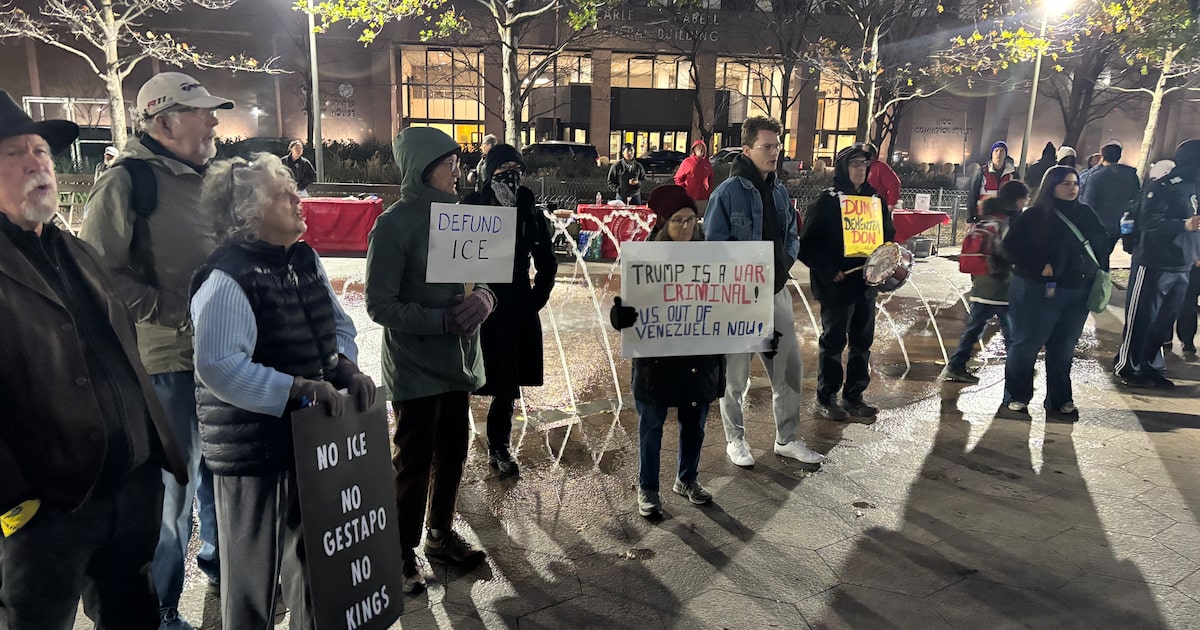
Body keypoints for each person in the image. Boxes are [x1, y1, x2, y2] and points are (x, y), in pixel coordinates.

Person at [0, 89, 187, 629]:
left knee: (132, 617)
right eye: (17, 153)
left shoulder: (74, 249)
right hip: (49, 509)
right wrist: (18, 499)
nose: (40, 162)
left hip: (130, 489)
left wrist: (151, 455)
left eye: (41, 151)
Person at [190, 153, 374, 628]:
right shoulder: (228, 275)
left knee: (316, 569)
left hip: (308, 441)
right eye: (282, 193)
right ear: (247, 213)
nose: (298, 198)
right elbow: (218, 366)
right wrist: (298, 389)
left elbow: (337, 324)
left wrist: (346, 369)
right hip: (255, 452)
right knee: (252, 583)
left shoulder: (303, 257)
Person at [80, 71, 231, 629]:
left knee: (220, 469)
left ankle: (220, 565)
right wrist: (178, 311)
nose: (215, 120)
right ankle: (162, 606)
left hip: (221, 358)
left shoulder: (209, 177)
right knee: (174, 489)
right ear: (165, 121)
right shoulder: (127, 182)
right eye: (203, 112)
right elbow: (98, 276)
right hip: (167, 363)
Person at [366, 127, 495, 594]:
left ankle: (439, 536)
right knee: (414, 460)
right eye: (448, 163)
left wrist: (485, 299)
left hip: (457, 362)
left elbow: (485, 279)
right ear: (422, 169)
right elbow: (379, 304)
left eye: (457, 162)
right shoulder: (394, 224)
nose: (458, 169)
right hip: (416, 366)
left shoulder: (462, 218)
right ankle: (399, 553)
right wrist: (440, 321)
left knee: (454, 452)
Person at [705, 116, 823, 466]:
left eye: (777, 146)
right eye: (766, 147)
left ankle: (786, 439)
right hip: (739, 299)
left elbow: (791, 232)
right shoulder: (726, 194)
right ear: (747, 149)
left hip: (775, 292)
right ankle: (736, 440)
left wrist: (785, 260)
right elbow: (713, 246)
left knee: (789, 369)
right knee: (735, 377)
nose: (774, 153)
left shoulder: (780, 191)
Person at [609, 185, 724, 517]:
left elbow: (729, 303)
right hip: (657, 361)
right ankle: (648, 488)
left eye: (691, 219)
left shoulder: (710, 258)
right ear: (662, 223)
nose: (687, 227)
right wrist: (622, 316)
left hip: (698, 359)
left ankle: (687, 479)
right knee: (652, 425)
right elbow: (624, 311)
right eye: (679, 220)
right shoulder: (644, 260)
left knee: (695, 423)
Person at [461, 144, 556, 477]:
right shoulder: (471, 207)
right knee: (463, 377)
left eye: (518, 169)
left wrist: (534, 301)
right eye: (504, 170)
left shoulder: (531, 212)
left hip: (515, 304)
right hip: (475, 303)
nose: (511, 176)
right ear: (490, 174)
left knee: (507, 383)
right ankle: (454, 442)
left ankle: (498, 445)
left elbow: (547, 264)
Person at [797, 142, 897, 419]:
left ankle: (854, 395)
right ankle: (826, 396)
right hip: (835, 285)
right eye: (855, 165)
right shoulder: (827, 200)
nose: (860, 170)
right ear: (843, 166)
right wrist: (829, 269)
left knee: (862, 341)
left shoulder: (875, 199)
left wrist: (887, 263)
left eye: (865, 166)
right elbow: (807, 245)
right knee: (833, 342)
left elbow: (889, 236)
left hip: (865, 284)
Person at [1002, 166, 1111, 415]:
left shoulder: (1086, 214)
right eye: (1066, 184)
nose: (1073, 188)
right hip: (1037, 291)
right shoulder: (1034, 216)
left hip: (1077, 291)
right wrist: (1039, 265)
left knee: (1063, 348)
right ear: (1051, 186)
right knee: (1026, 344)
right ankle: (1017, 395)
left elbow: (1102, 244)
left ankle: (1060, 398)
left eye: (1075, 183)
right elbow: (1010, 248)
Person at [1112, 140, 1200, 388]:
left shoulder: (1195, 187)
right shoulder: (1162, 187)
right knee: (1142, 317)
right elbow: (1150, 223)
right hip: (1154, 262)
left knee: (1163, 321)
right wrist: (1183, 225)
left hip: (1182, 265)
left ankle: (1149, 366)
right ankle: (1129, 366)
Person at [941, 180, 1029, 383]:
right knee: (1012, 329)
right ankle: (1017, 369)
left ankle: (956, 365)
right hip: (1003, 284)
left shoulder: (988, 218)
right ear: (1017, 200)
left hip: (982, 282)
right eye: (1024, 199)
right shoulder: (1009, 223)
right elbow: (1012, 254)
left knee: (976, 327)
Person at [1080, 140, 1141, 246]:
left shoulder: (1096, 177)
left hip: (1100, 224)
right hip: (1120, 223)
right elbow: (1136, 197)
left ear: (1102, 157)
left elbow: (1088, 202)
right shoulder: (1131, 175)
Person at [968, 140, 1018, 222]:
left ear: (1005, 154)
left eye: (1002, 151)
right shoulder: (981, 172)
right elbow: (973, 194)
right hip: (983, 216)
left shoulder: (1013, 174)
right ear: (992, 153)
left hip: (1004, 217)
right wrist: (970, 218)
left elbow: (1016, 196)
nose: (999, 153)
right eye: (996, 150)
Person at [674, 139, 713, 215]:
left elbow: (711, 179)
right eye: (698, 147)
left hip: (703, 199)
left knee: (701, 222)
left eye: (703, 148)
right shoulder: (687, 162)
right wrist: (684, 190)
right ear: (694, 150)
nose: (701, 149)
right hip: (689, 198)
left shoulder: (707, 163)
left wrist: (708, 192)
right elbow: (677, 178)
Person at [865, 143, 901, 209]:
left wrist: (890, 204)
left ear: (872, 156)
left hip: (876, 206)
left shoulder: (880, 167)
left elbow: (894, 184)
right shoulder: (861, 168)